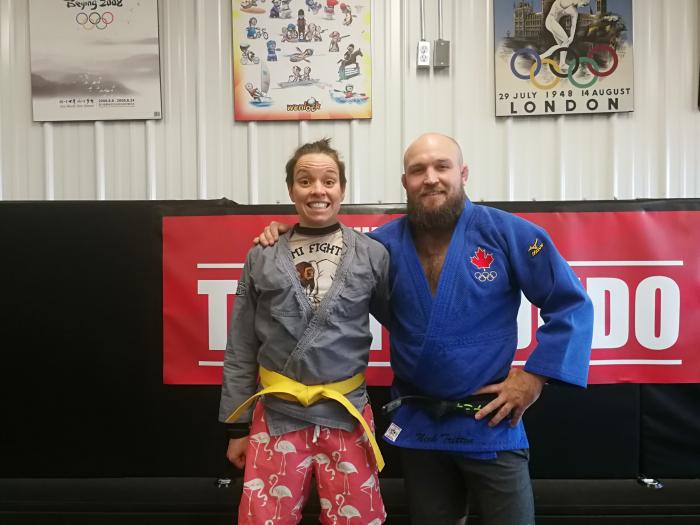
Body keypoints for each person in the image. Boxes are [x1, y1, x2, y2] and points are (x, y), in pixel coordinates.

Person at [255, 133, 594, 525]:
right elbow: (326, 259)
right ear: (405, 182)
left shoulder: (508, 233)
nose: (430, 178)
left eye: (441, 167)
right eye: (418, 170)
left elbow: (571, 304)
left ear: (463, 173)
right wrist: (289, 235)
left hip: (491, 420)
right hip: (420, 424)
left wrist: (534, 378)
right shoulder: (381, 246)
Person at [219, 139, 389, 525]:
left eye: (329, 181)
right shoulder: (262, 254)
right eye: (305, 180)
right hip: (277, 413)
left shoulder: (372, 254)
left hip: (346, 413)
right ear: (291, 189)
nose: (318, 190)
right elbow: (241, 345)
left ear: (342, 189)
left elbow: (406, 324)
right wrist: (236, 427)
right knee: (265, 519)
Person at [541, 0, 591, 72]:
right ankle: (560, 63)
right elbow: (559, 4)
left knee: (563, 45)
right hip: (551, 20)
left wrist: (572, 37)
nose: (583, 6)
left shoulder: (574, 12)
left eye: (585, 5)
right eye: (584, 4)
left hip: (553, 23)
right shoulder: (568, 2)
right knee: (565, 41)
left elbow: (573, 25)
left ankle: (542, 57)